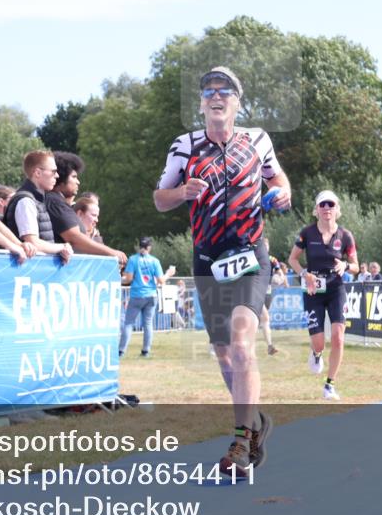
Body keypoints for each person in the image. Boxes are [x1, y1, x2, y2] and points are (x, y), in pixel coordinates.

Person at [154, 66, 290, 476]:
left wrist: (281, 194)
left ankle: (241, 441)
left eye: (225, 90)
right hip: (208, 259)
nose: (216, 95)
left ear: (237, 100)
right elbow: (160, 199)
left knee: (244, 342)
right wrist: (182, 192)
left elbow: (280, 181)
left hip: (250, 254)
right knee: (225, 354)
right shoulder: (185, 145)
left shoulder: (258, 140)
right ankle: (254, 421)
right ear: (201, 103)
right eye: (209, 90)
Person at [288, 190, 359, 400]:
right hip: (313, 290)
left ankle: (330, 385)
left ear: (337, 209)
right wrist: (304, 274)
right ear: (316, 210)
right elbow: (292, 259)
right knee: (319, 342)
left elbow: (355, 266)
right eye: (322, 205)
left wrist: (345, 265)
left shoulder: (345, 236)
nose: (326, 208)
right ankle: (316, 353)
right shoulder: (307, 233)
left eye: (331, 204)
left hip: (336, 288)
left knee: (338, 337)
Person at [1, 150, 73, 262]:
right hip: (25, 271)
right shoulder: (26, 201)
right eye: (53, 171)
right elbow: (33, 242)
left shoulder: (35, 200)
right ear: (38, 173)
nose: (57, 176)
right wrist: (62, 247)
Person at [118, 237, 175, 357]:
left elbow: (128, 279)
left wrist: (117, 280)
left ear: (140, 246)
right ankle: (145, 351)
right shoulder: (155, 261)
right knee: (148, 324)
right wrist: (168, 274)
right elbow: (160, 281)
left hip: (137, 295)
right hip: (151, 296)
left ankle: (121, 351)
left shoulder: (133, 259)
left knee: (129, 323)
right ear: (149, 247)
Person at [259, 238, 281, 356]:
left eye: (267, 246)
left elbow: (280, 273)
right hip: (255, 292)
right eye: (263, 245)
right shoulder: (254, 259)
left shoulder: (272, 260)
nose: (265, 247)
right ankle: (270, 346)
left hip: (267, 293)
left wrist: (280, 278)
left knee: (260, 321)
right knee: (265, 317)